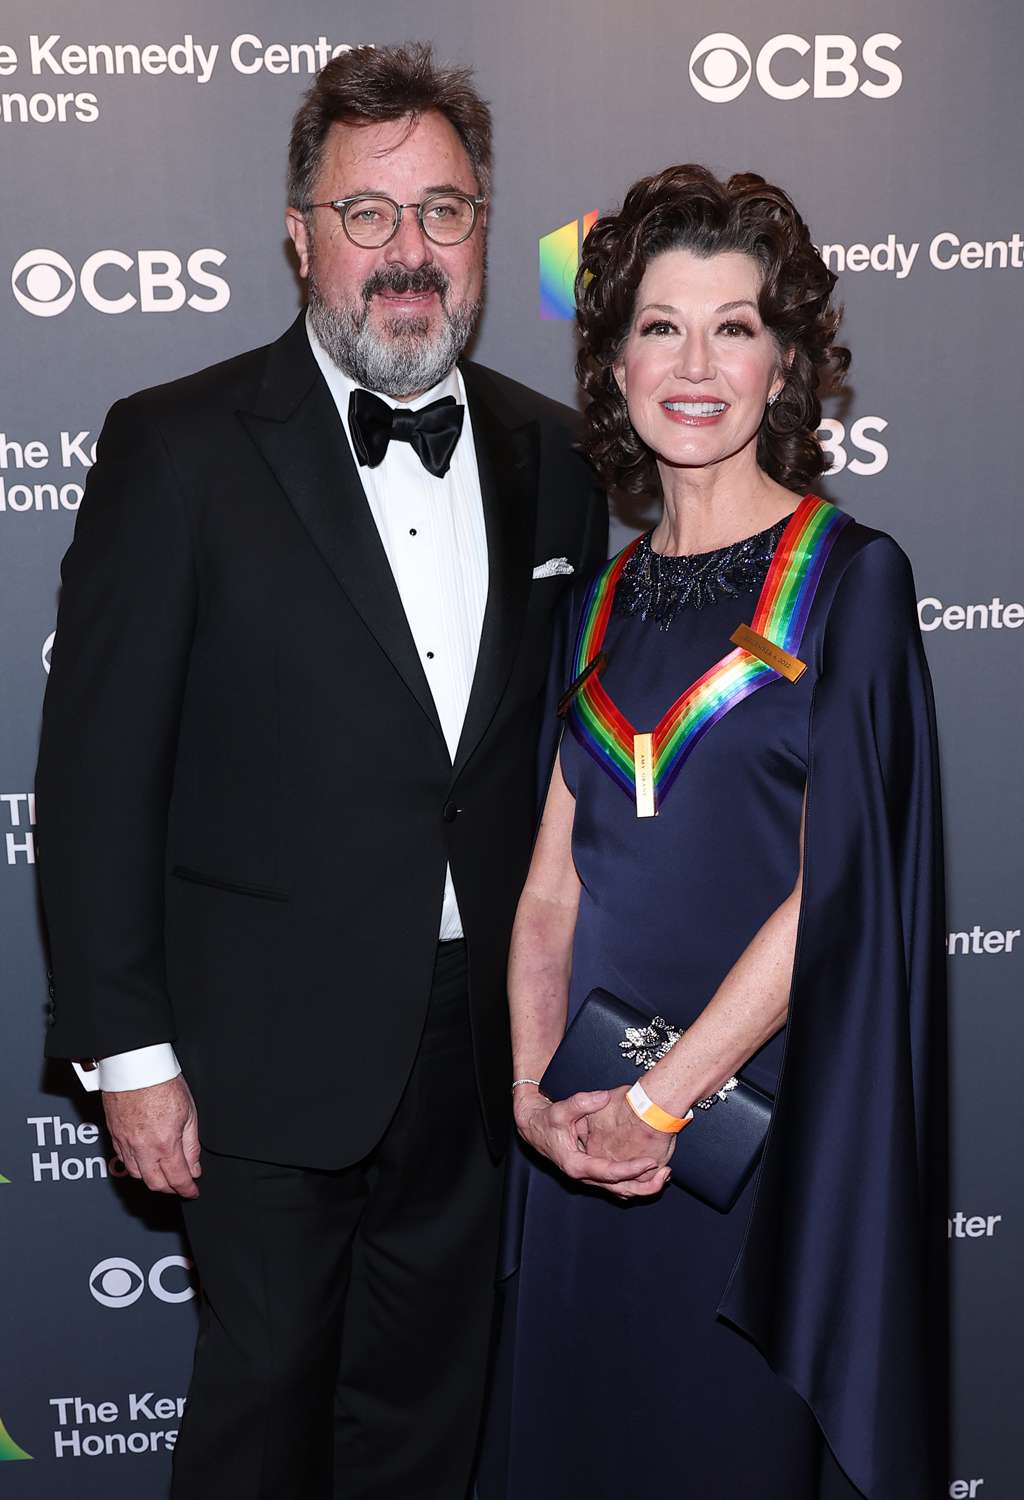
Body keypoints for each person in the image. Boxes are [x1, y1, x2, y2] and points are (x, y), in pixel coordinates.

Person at [35, 43, 607, 1500]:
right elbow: (97, 776)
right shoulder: (176, 448)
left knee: (431, 1431)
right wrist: (133, 1054)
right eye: (369, 214)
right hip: (255, 1061)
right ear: (300, 235)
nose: (409, 253)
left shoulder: (555, 457)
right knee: (259, 1430)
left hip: (480, 1056)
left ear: (487, 232)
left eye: (446, 211)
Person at [478, 165, 946, 1500]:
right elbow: (551, 895)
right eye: (660, 327)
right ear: (613, 361)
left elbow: (836, 891)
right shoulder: (599, 599)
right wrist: (534, 1100)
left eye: (734, 326)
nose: (695, 364)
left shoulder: (849, 583)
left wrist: (660, 1100)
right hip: (579, 1143)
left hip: (752, 1159)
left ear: (786, 363)